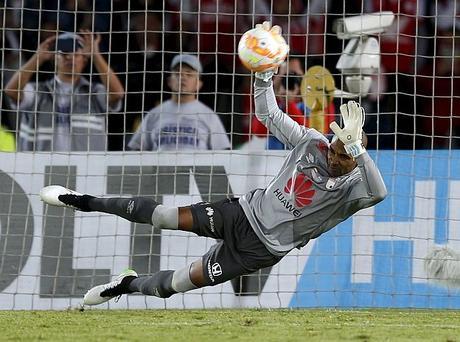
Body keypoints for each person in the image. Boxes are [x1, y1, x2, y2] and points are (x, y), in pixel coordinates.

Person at [39, 23, 387, 305]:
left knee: (173, 285)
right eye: (336, 148)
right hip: (239, 213)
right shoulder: (313, 141)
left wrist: (359, 151)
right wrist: (264, 75)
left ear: (354, 159)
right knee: (164, 216)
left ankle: (127, 285)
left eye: (345, 156)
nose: (335, 157)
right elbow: (268, 113)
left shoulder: (354, 187)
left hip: (260, 251)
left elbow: (380, 192)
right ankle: (82, 201)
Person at [4, 31, 124, 151]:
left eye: (76, 54)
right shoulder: (39, 92)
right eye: (64, 53)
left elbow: (117, 94)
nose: (70, 58)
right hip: (41, 168)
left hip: (86, 167)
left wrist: (96, 55)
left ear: (84, 61)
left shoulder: (94, 92)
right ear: (54, 59)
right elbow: (11, 90)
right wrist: (37, 58)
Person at [127, 54, 230, 151]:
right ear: (169, 81)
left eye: (189, 74)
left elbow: (222, 152)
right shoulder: (154, 114)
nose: (183, 77)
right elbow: (135, 150)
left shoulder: (209, 116)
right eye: (177, 73)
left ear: (198, 84)